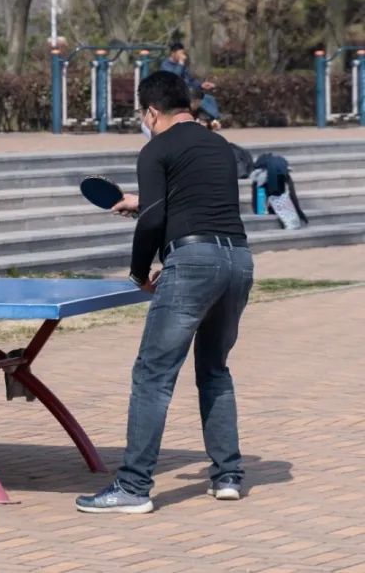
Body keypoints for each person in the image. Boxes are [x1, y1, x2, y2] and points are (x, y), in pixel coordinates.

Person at [76, 72, 253, 513]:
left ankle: (133, 487)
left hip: (193, 264)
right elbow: (192, 198)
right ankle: (228, 475)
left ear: (151, 112)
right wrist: (141, 199)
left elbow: (155, 222)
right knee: (214, 370)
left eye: (143, 116)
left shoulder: (155, 148)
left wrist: (140, 273)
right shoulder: (219, 146)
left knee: (152, 375)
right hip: (239, 261)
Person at [161, 42, 215, 112]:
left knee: (210, 99)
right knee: (202, 102)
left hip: (188, 91)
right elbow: (174, 78)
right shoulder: (166, 65)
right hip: (175, 93)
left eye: (182, 53)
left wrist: (201, 85)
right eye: (180, 53)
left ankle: (216, 119)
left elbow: (190, 79)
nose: (182, 55)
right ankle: (215, 119)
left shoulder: (182, 65)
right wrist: (180, 63)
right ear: (173, 53)